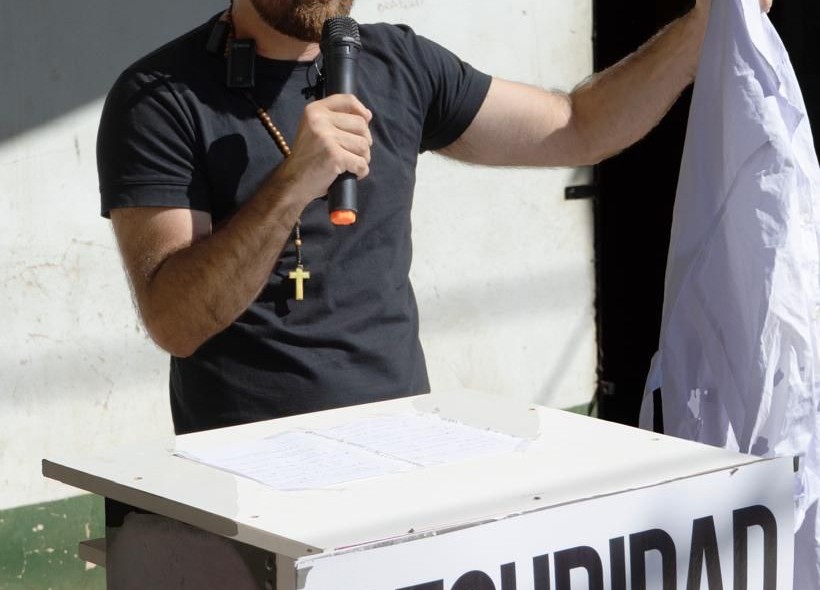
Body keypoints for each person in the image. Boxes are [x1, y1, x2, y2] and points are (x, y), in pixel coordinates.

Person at [97, 0, 772, 435]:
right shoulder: (161, 97)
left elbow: (576, 124)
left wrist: (702, 30)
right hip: (248, 484)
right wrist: (294, 183)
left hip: (403, 454)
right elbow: (174, 320)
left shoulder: (396, 63)